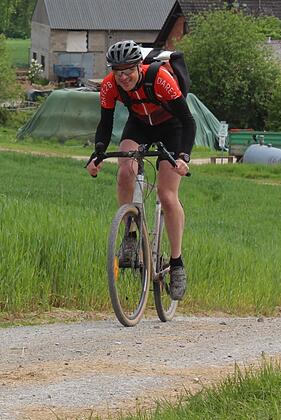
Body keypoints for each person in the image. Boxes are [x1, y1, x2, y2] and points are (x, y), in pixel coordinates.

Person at [87, 40, 195, 301]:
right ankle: (130, 236)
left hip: (172, 127)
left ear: (139, 66)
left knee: (167, 195)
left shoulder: (159, 78)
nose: (123, 77)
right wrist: (98, 153)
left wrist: (183, 157)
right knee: (125, 171)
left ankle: (177, 263)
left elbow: (188, 120)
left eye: (128, 71)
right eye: (117, 71)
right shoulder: (110, 85)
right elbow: (106, 122)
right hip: (140, 125)